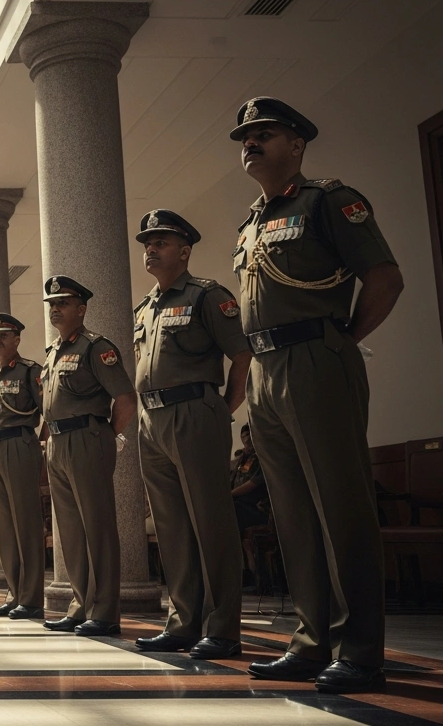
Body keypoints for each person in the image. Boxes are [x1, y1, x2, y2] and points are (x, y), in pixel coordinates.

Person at [230, 98, 403, 692]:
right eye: (245, 137)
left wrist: (342, 341)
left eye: (264, 134)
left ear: (297, 145)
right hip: (265, 367)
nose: (249, 144)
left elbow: (384, 277)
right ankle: (310, 642)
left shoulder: (329, 200)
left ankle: (360, 650)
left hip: (316, 356)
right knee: (294, 514)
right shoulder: (250, 221)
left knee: (340, 506)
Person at [130, 210, 252, 659]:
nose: (151, 248)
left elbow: (241, 355)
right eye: (147, 243)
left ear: (184, 251)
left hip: (195, 411)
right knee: (172, 527)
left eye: (160, 242)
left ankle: (222, 628)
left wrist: (223, 408)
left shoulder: (207, 296)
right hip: (152, 420)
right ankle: (183, 622)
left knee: (210, 521)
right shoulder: (145, 308)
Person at [39, 276, 137, 637]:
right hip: (58, 444)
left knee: (98, 527)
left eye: (63, 303)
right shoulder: (52, 353)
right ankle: (80, 605)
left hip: (88, 438)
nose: (55, 309)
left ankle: (106, 612)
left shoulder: (96, 348)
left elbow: (125, 398)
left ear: (81, 309)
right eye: (52, 304)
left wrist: (107, 436)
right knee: (70, 532)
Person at [0, 314, 46, 620]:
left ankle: (31, 598)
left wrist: (43, 445)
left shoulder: (30, 371)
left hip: (20, 444)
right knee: (5, 527)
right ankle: (15, 593)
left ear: (17, 339)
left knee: (26, 524)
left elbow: (49, 410)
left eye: (3, 335)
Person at [231, 425, 270, 536]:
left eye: (248, 435)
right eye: (243, 436)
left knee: (230, 511)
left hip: (257, 508)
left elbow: (252, 483)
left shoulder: (263, 457)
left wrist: (228, 495)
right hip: (240, 503)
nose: (246, 439)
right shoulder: (242, 460)